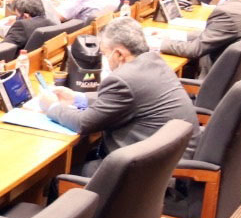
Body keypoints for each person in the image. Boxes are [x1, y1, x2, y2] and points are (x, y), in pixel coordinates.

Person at [39, 18, 200, 169]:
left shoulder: (123, 79)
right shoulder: (154, 61)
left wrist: (52, 106)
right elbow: (127, 98)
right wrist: (78, 98)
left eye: (104, 54)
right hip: (169, 159)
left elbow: (83, 123)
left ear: (119, 54)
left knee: (61, 177)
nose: (105, 59)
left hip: (148, 170)